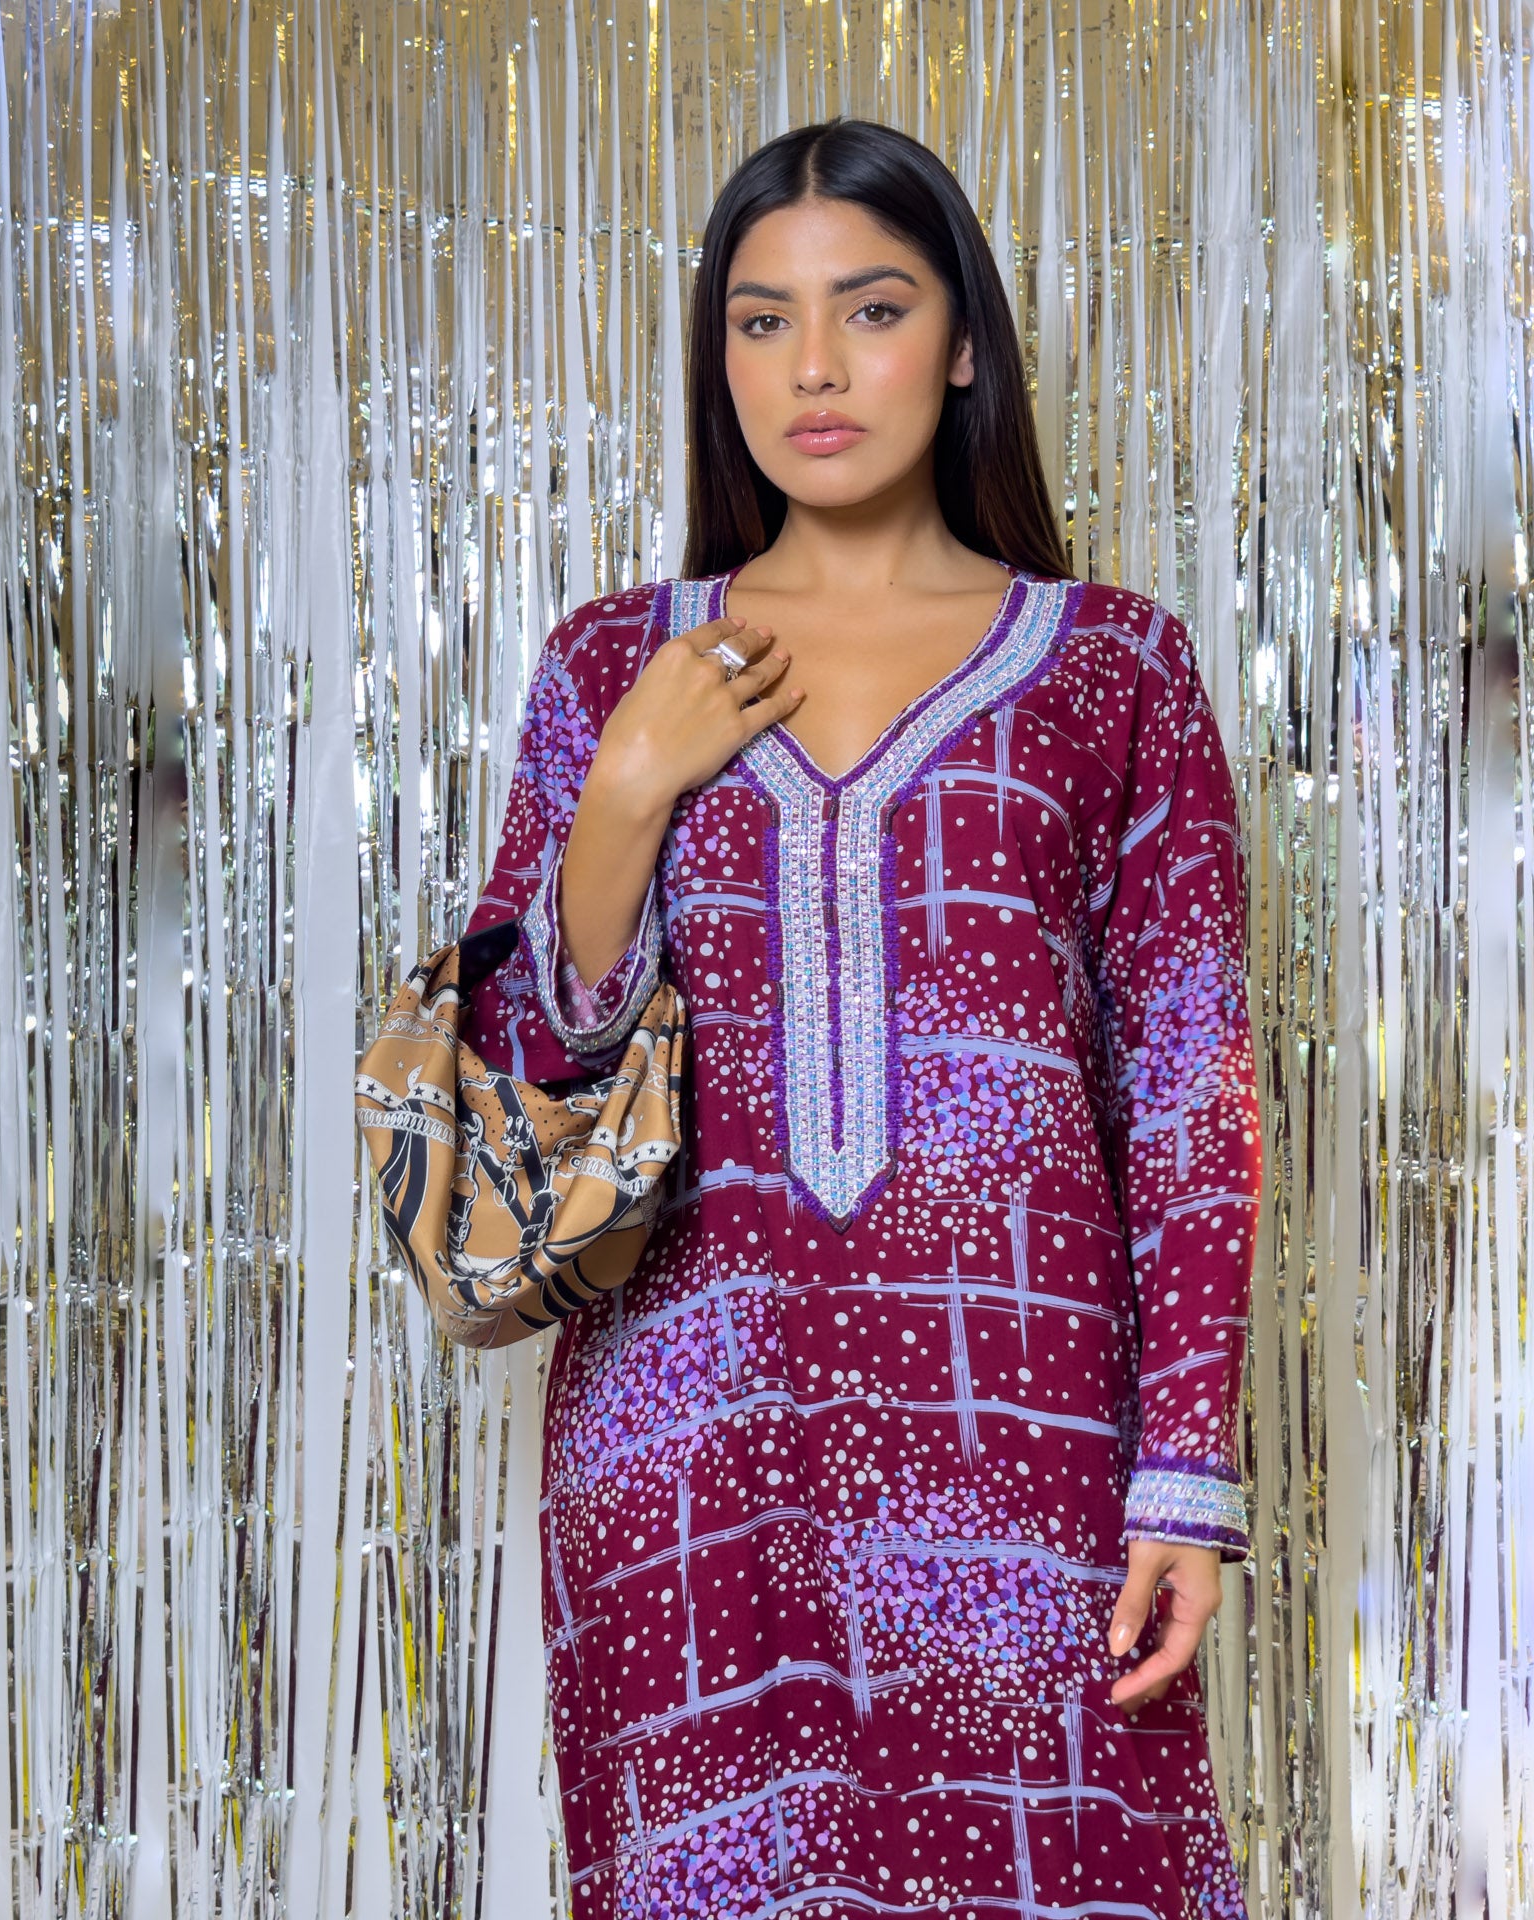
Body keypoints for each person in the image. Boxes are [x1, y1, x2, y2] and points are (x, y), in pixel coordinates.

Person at [460, 115, 1262, 1920]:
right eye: (762, 322)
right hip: (686, 1448)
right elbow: (524, 1079)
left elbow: (1190, 1095)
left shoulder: (1114, 665)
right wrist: (627, 791)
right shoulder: (614, 666)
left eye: (871, 309)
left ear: (962, 343)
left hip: (1032, 1446)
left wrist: (1184, 1478)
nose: (813, 367)